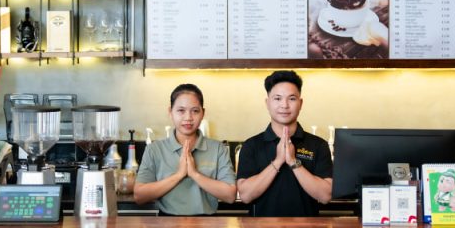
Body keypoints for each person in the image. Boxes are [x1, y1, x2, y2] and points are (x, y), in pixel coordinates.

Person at [236, 70, 332, 217]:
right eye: (277, 98)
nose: (284, 105)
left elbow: (325, 196)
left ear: (300, 103)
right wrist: (278, 161)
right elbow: (245, 195)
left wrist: (293, 162)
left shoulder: (318, 145)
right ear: (267, 103)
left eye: (292, 99)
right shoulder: (251, 145)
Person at [133, 83, 236, 215]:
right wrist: (179, 175)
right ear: (170, 112)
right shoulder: (154, 149)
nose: (188, 118)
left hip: (208, 223)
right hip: (166, 223)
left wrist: (194, 174)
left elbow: (230, 195)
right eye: (181, 110)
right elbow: (139, 196)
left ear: (203, 113)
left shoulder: (218, 149)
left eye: (195, 111)